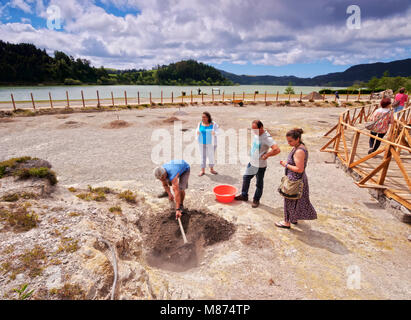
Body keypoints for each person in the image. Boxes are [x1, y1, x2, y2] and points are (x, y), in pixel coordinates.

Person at [276, 129, 317, 229]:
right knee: (296, 201)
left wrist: (285, 164)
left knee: (289, 201)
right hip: (298, 180)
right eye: (288, 141)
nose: (289, 143)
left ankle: (286, 222)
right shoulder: (299, 147)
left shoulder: (299, 151)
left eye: (290, 141)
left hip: (295, 181)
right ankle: (293, 219)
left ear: (297, 139)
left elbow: (299, 169)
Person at [235, 120, 281, 208]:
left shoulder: (267, 138)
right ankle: (244, 195)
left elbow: (277, 150)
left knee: (259, 184)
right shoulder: (257, 134)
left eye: (255, 129)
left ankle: (256, 200)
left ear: (261, 127)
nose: (253, 131)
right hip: (252, 162)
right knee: (246, 178)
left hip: (260, 165)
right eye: (252, 129)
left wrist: (267, 155)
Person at [196, 112, 219, 176]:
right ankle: (202, 170)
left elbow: (218, 131)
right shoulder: (200, 123)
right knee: (203, 157)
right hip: (202, 143)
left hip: (211, 143)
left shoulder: (213, 124)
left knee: (211, 156)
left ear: (208, 117)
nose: (203, 118)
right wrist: (197, 133)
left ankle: (211, 169)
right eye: (202, 117)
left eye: (204, 117)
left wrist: (214, 132)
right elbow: (197, 131)